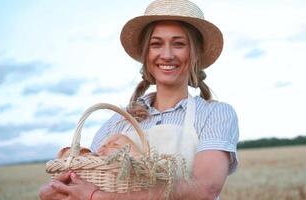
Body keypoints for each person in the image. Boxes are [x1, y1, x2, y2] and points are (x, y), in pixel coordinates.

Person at [39, 0, 239, 199]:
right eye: (156, 44)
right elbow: (85, 177)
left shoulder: (215, 114)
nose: (167, 55)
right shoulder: (117, 122)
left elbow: (205, 188)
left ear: (195, 53)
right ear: (146, 55)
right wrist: (52, 192)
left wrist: (100, 197)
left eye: (179, 44)